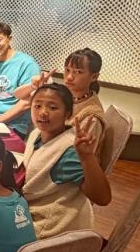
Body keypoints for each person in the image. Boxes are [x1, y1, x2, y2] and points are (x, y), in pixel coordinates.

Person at [23, 83, 111, 239]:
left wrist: (87, 157)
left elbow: (103, 198)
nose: (43, 112)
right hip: (33, 208)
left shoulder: (67, 152)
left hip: (50, 227)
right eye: (37, 106)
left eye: (52, 107)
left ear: (67, 114)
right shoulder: (37, 133)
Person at [13, 48, 105, 156]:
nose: (69, 77)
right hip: (43, 150)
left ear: (94, 77)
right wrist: (34, 86)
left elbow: (78, 156)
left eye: (78, 72)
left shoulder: (92, 116)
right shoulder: (65, 94)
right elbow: (18, 95)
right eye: (67, 70)